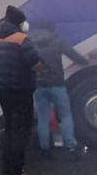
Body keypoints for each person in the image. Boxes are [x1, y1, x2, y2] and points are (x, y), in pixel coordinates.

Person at [0, 5, 43, 175]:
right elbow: (35, 63)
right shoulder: (21, 39)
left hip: (3, 90)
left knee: (10, 128)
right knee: (21, 132)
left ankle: (6, 168)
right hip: (21, 90)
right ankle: (17, 173)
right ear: (19, 22)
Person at [28, 22, 89, 152]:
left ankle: (44, 148)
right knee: (65, 116)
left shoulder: (30, 45)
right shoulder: (56, 42)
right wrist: (84, 62)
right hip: (57, 85)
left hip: (39, 86)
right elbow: (74, 55)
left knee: (43, 117)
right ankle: (70, 146)